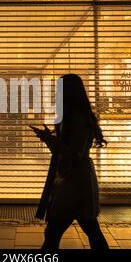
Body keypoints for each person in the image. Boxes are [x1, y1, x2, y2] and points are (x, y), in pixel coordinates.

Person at [31, 74, 109, 250]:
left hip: (74, 181)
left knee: (54, 231)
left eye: (59, 89)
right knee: (89, 228)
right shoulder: (69, 116)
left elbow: (74, 153)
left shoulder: (79, 119)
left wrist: (49, 140)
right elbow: (63, 150)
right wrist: (49, 139)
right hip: (71, 179)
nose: (56, 93)